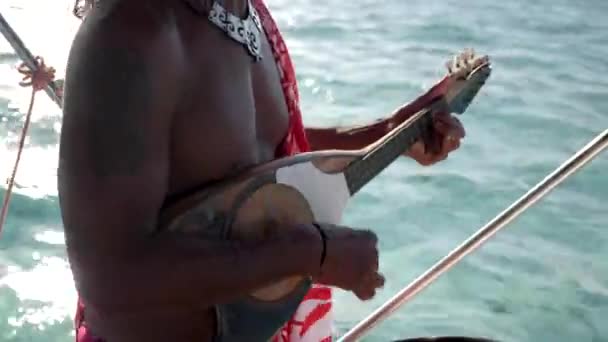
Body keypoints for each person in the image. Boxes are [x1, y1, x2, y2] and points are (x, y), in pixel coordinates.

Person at [58, 0, 466, 341]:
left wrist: (385, 133)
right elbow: (111, 279)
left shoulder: (245, 11)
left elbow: (249, 154)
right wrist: (311, 252)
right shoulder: (132, 29)